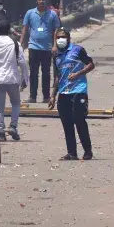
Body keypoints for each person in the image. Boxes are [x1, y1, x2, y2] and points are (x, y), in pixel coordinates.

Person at [49, 28, 95, 160]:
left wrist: (77, 74)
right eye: (58, 37)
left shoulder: (78, 50)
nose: (60, 40)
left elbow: (91, 65)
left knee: (79, 120)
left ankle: (87, 151)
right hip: (63, 92)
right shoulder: (56, 54)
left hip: (79, 91)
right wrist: (53, 95)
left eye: (62, 37)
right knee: (67, 123)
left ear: (68, 38)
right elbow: (57, 76)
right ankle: (72, 153)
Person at [20, 0, 62, 104]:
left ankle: (46, 97)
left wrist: (55, 45)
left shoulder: (52, 14)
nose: (42, 1)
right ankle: (32, 97)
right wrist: (21, 44)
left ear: (46, 1)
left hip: (47, 48)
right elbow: (25, 29)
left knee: (46, 73)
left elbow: (56, 31)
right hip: (33, 47)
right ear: (36, 1)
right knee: (33, 73)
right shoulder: (30, 13)